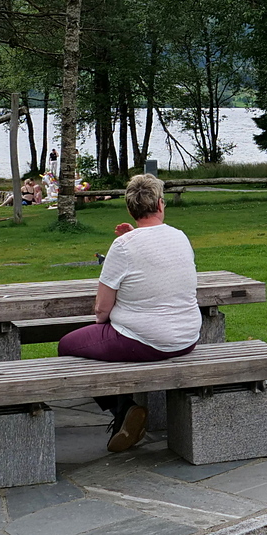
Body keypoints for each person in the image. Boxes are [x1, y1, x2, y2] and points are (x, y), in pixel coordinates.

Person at [59, 174, 199, 452]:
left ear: (130, 208)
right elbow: (156, 262)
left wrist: (101, 324)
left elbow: (102, 308)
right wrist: (133, 237)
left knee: (67, 346)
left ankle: (122, 409)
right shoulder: (180, 237)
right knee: (101, 343)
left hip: (145, 340)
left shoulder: (123, 247)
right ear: (160, 204)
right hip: (187, 338)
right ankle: (125, 410)